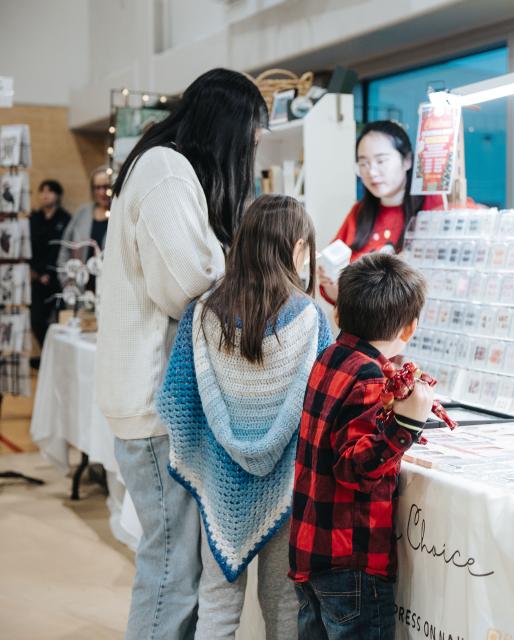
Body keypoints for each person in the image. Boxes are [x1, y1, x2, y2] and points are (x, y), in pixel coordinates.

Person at [95, 68, 267, 640]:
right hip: (153, 404)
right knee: (172, 568)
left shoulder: (161, 165)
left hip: (151, 402)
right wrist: (241, 267)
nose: (250, 156)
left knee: (174, 565)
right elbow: (188, 282)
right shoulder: (167, 171)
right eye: (252, 142)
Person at [157, 194, 333, 638]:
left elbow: (178, 400)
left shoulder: (201, 313)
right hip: (287, 487)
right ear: (296, 247)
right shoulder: (311, 318)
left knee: (216, 602)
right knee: (282, 605)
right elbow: (324, 404)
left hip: (218, 480)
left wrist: (207, 450)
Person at [290, 253, 433, 639]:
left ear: (338, 315)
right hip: (350, 560)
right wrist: (406, 425)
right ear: (410, 327)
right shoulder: (369, 377)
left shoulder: (331, 357)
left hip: (311, 551)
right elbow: (354, 468)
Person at [317, 120, 445, 304]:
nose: (372, 171)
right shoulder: (358, 212)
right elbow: (338, 298)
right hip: (366, 327)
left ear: (407, 160)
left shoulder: (434, 205)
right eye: (364, 163)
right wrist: (329, 281)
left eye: (381, 160)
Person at [29, 179, 70, 350]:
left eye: (50, 191)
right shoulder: (34, 218)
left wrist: (49, 272)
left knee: (62, 320)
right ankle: (48, 353)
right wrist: (36, 272)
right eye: (42, 191)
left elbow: (62, 248)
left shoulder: (65, 218)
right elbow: (29, 246)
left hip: (57, 277)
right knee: (36, 320)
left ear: (58, 195)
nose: (45, 195)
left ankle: (58, 354)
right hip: (36, 278)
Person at [56, 166, 112, 289]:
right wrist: (65, 280)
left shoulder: (118, 215)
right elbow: (65, 247)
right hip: (79, 287)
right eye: (98, 187)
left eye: (106, 187)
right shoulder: (82, 213)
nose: (102, 192)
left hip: (108, 287)